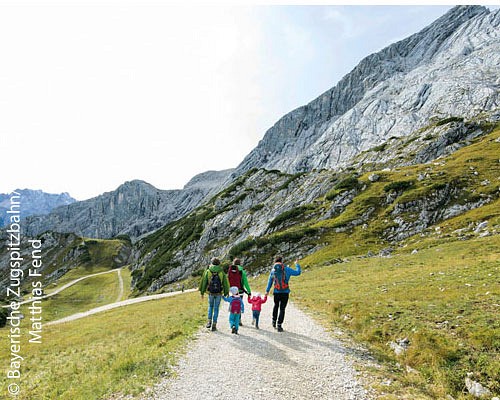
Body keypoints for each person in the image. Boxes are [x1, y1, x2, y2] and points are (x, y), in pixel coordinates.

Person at [265, 255, 301, 332]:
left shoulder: (273, 271)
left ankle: (274, 321)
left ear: (275, 262)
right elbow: (298, 273)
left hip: (276, 292)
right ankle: (279, 325)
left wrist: (267, 291)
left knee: (276, 306)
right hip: (285, 292)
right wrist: (297, 264)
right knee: (282, 308)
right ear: (282, 261)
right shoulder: (287, 269)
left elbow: (270, 281)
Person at [199, 257, 229, 331]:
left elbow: (204, 282)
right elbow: (225, 283)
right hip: (219, 293)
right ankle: (214, 324)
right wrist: (226, 292)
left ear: (212, 263)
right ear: (219, 263)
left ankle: (209, 322)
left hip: (211, 293)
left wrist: (202, 292)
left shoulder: (208, 271)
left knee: (210, 306)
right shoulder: (221, 272)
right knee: (216, 308)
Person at [227, 258, 252, 326]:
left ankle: (232, 319)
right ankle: (239, 320)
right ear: (240, 263)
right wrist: (249, 291)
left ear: (233, 263)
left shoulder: (230, 270)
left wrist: (226, 290)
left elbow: (228, 280)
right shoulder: (242, 271)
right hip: (240, 291)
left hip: (232, 291)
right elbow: (245, 282)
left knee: (232, 304)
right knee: (239, 304)